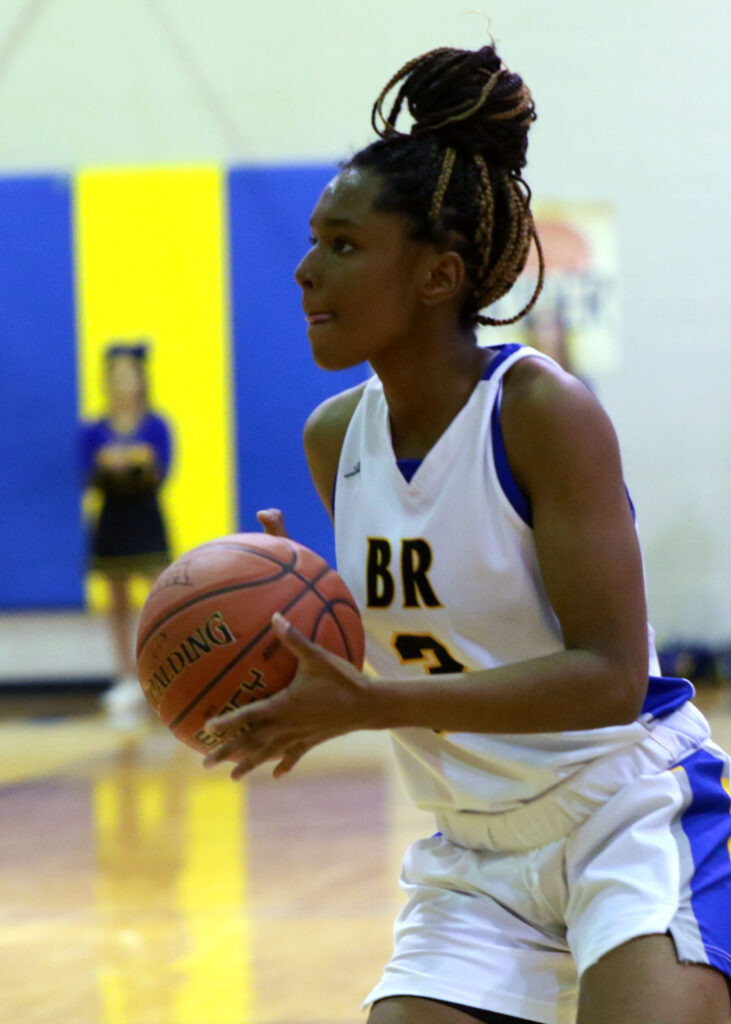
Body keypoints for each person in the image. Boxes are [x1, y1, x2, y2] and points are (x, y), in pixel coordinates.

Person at [202, 44, 731, 1024]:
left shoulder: (539, 409)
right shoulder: (335, 439)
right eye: (313, 240)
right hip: (473, 852)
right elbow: (446, 632)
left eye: (345, 245)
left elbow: (610, 676)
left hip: (626, 812)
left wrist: (369, 703)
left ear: (439, 274)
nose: (305, 267)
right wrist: (302, 613)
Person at [81, 343, 172, 725]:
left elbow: (160, 466)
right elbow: (89, 471)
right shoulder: (93, 429)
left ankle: (166, 670)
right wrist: (129, 462)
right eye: (115, 376)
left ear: (141, 381)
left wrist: (126, 463)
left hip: (146, 518)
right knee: (117, 602)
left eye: (128, 375)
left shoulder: (156, 425)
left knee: (160, 599)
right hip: (112, 519)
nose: (122, 383)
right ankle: (125, 677)